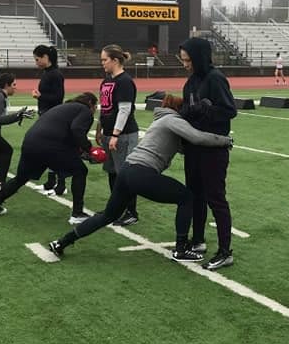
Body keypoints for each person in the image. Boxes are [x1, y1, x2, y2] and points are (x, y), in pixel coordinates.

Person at [48, 93, 232, 261]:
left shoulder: (160, 121)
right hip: (142, 172)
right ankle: (181, 248)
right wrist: (224, 140)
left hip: (128, 170)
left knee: (107, 215)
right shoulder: (173, 120)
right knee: (187, 197)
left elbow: (182, 147)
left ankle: (62, 242)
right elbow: (197, 137)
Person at [0, 93, 97, 223]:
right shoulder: (84, 110)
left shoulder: (64, 108)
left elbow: (66, 136)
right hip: (51, 145)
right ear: (91, 103)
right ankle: (77, 213)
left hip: (31, 142)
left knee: (20, 178)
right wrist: (89, 149)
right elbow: (76, 130)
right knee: (80, 171)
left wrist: (80, 152)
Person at [179, 37, 237, 271]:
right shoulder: (190, 82)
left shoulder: (215, 78)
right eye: (182, 60)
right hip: (194, 148)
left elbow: (229, 110)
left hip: (213, 149)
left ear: (199, 57)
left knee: (216, 198)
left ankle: (225, 252)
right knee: (195, 196)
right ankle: (199, 240)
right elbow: (186, 109)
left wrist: (207, 109)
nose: (185, 64)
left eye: (188, 60)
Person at [96, 44, 140, 226]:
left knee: (125, 174)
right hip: (109, 133)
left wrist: (115, 134)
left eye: (105, 60)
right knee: (112, 172)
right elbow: (104, 106)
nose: (102, 63)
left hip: (123, 134)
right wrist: (99, 128)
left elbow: (124, 110)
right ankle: (115, 208)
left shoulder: (124, 81)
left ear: (115, 60)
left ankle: (131, 211)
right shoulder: (107, 80)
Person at [32, 44, 67, 196]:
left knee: (55, 151)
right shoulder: (47, 73)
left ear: (46, 58)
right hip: (46, 115)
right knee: (48, 150)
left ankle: (61, 185)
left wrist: (40, 96)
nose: (36, 62)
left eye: (37, 59)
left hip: (53, 117)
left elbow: (58, 97)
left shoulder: (55, 74)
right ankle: (50, 182)